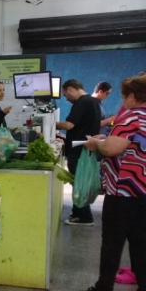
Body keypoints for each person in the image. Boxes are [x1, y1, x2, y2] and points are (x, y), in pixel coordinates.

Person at [76, 74, 146, 291]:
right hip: (142, 189)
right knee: (140, 242)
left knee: (113, 241)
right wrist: (106, 138)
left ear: (133, 96)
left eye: (124, 96)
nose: (123, 101)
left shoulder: (133, 117)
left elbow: (112, 149)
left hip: (123, 190)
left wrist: (97, 143)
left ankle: (103, 290)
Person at [57, 79, 101, 225]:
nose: (66, 98)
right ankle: (78, 213)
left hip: (79, 150)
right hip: (86, 149)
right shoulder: (93, 102)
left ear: (70, 89)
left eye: (65, 94)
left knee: (79, 183)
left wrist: (52, 124)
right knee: (80, 182)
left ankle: (84, 217)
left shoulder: (82, 102)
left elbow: (69, 125)